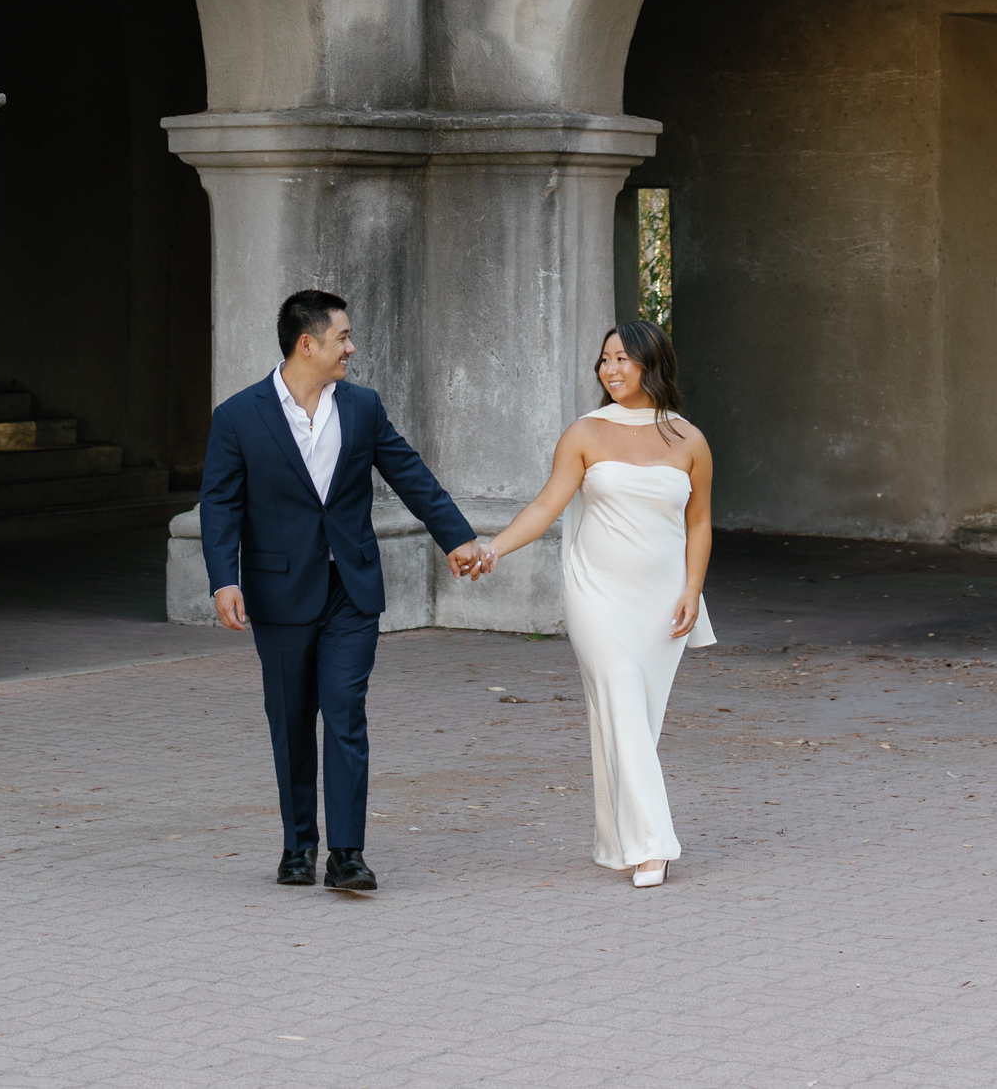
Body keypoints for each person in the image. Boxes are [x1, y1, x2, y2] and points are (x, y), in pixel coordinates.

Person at [200, 288, 487, 893]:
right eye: (343, 338)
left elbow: (410, 472)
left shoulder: (361, 407)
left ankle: (347, 854)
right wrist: (224, 578)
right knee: (291, 719)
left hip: (350, 589)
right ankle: (298, 847)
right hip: (278, 591)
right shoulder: (238, 416)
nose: (351, 347)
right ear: (308, 344)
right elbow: (220, 504)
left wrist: (456, 537)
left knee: (345, 713)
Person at [475, 317, 714, 887]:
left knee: (633, 718)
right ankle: (651, 844)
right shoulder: (584, 432)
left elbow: (700, 523)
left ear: (652, 365)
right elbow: (545, 507)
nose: (611, 369)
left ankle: (617, 839)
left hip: (662, 600)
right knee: (622, 701)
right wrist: (493, 548)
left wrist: (692, 589)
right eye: (605, 359)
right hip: (597, 594)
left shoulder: (690, 439)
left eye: (623, 359)